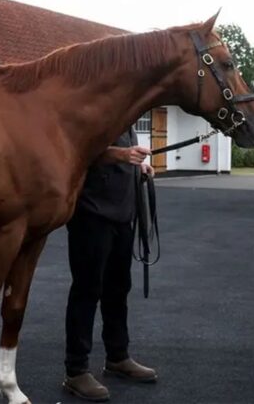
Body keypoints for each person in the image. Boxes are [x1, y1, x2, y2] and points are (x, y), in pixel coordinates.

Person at [62, 127, 157, 402]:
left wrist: (139, 168)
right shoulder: (95, 107)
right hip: (90, 213)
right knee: (87, 290)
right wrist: (122, 154)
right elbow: (78, 150)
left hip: (122, 213)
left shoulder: (126, 115)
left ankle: (118, 357)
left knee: (118, 289)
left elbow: (122, 160)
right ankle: (76, 370)